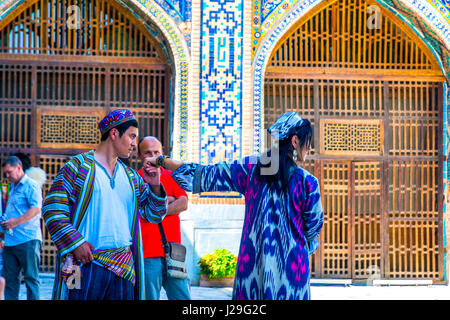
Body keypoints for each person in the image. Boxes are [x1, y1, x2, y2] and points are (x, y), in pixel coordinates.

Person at [143, 111, 323, 300]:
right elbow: (312, 229)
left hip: (252, 267)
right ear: (294, 141)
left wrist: (161, 161)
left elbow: (203, 174)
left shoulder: (250, 170)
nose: (309, 148)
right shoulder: (308, 182)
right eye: (307, 142)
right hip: (292, 270)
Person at [42, 109, 168, 300]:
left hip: (124, 268)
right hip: (84, 264)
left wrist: (156, 185)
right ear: (114, 133)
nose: (135, 144)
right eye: (132, 136)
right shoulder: (78, 167)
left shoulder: (131, 176)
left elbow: (154, 214)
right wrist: (76, 243)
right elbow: (52, 209)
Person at [137, 136, 190, 300]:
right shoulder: (135, 179)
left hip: (174, 252)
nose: (152, 156)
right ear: (139, 156)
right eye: (147, 153)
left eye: (156, 152)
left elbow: (183, 203)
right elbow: (140, 211)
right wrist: (169, 200)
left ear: (162, 154)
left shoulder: (172, 176)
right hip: (147, 254)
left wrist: (155, 207)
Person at [1, 156, 43, 300]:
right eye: (5, 173)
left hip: (28, 239)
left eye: (9, 172)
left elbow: (36, 209)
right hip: (11, 240)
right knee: (10, 280)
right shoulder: (12, 186)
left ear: (19, 168)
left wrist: (15, 222)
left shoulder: (31, 185)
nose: (7, 176)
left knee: (31, 279)